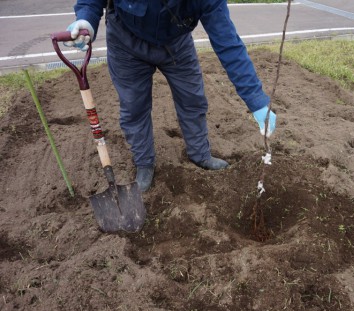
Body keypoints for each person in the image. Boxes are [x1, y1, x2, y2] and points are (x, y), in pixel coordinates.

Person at [64, 0, 276, 192]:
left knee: (192, 99)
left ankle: (200, 154)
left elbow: (228, 43)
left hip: (176, 44)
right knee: (134, 107)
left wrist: (257, 102)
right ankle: (144, 163)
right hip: (126, 42)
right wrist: (86, 19)